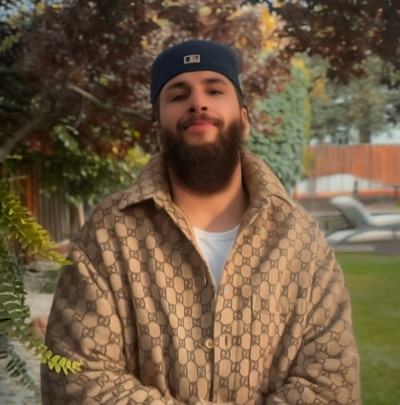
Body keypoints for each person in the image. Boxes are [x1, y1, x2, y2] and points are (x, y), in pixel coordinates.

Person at [41, 39, 361, 405]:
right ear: (158, 132)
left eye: (214, 90)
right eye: (178, 95)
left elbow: (331, 383)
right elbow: (76, 378)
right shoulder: (108, 235)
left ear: (244, 121)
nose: (197, 102)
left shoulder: (301, 240)